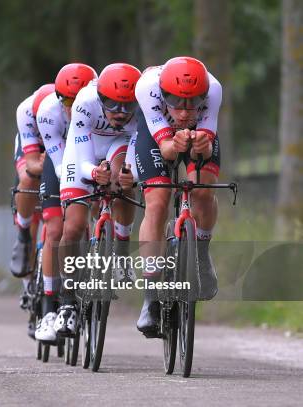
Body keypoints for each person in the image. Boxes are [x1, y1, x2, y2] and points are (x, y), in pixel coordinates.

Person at [49, 63, 142, 338]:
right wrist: (93, 172)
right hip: (84, 150)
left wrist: (130, 175)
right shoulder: (85, 102)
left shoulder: (142, 111)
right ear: (101, 98)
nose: (121, 113)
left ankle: (122, 254)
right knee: (73, 227)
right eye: (114, 105)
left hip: (119, 145)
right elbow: (79, 154)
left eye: (128, 106)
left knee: (122, 179)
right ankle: (67, 302)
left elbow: (136, 150)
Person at [134, 56, 222, 336]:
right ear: (163, 95)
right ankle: (150, 298)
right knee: (157, 202)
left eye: (193, 103)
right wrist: (175, 143)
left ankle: (202, 253)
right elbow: (166, 150)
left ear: (204, 96)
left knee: (203, 191)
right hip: (157, 137)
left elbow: (206, 151)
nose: (184, 113)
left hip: (198, 137)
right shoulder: (147, 88)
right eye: (176, 102)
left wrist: (201, 145)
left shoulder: (214, 90)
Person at [33, 63, 98, 342]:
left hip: (93, 151)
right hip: (60, 160)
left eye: (77, 100)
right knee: (56, 228)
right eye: (67, 102)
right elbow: (61, 166)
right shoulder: (48, 113)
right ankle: (49, 307)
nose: (73, 108)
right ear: (60, 99)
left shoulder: (96, 105)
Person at [10, 83, 55, 314]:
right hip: (33, 148)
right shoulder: (26, 111)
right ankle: (24, 234)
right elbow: (31, 165)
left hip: (60, 138)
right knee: (29, 182)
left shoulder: (68, 111)